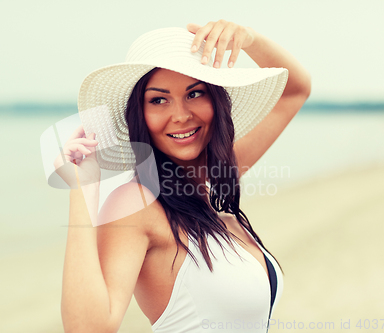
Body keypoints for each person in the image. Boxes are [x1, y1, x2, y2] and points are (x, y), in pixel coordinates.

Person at [54, 20, 311, 333]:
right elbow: (88, 329)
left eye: (195, 93)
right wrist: (82, 190)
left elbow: (294, 90)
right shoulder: (136, 204)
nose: (180, 115)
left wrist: (248, 39)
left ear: (215, 101)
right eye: (159, 99)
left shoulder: (215, 176)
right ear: (140, 114)